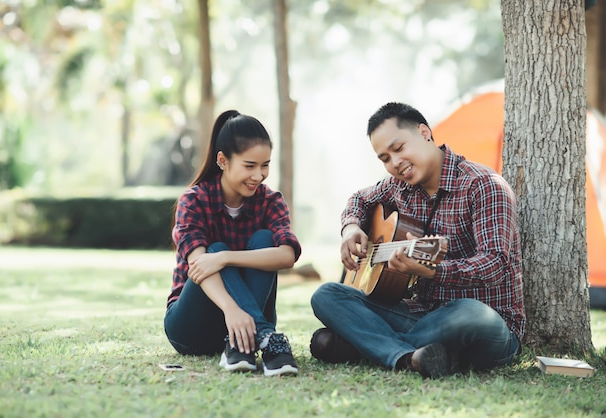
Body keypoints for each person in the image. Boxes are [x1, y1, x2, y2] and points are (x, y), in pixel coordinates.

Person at [309, 102, 525, 378]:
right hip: (419, 314)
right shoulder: (400, 186)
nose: (395, 163)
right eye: (385, 158)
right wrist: (351, 228)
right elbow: (360, 199)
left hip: (487, 323)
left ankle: (368, 345)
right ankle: (409, 357)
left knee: (469, 313)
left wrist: (431, 271)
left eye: (398, 149)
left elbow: (495, 265)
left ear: (424, 133)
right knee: (327, 295)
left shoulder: (484, 186)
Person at [164, 110, 302, 377]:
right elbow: (200, 265)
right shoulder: (194, 200)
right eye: (249, 166)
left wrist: (227, 258)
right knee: (213, 250)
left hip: (245, 328)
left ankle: (241, 343)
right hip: (191, 326)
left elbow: (286, 256)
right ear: (222, 161)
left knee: (262, 240)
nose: (259, 175)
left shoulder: (270, 201)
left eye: (265, 165)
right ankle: (265, 334)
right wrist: (230, 308)